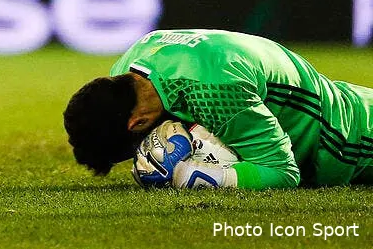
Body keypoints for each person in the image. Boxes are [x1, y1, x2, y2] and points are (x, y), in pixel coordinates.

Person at [64, 29, 373, 188]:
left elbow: (282, 172)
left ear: (138, 122)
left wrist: (194, 174)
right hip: (342, 98)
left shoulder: (215, 91)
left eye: (133, 148)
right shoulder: (132, 60)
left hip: (349, 140)